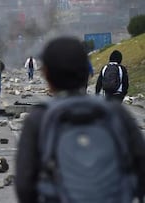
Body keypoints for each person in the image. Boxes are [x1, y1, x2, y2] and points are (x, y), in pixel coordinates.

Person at [16, 37, 145, 203]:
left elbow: (24, 184)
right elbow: (140, 164)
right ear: (87, 72)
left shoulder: (38, 118)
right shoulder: (116, 112)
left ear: (46, 74)